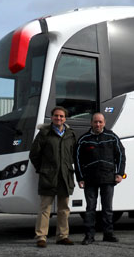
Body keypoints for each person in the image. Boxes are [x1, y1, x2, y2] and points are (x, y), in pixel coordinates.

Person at [29, 106, 77, 248]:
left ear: (65, 118)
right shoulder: (44, 133)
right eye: (56, 116)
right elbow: (34, 154)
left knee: (64, 208)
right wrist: (42, 169)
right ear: (51, 117)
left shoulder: (70, 134)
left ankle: (62, 236)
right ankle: (41, 237)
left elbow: (74, 155)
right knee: (45, 208)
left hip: (65, 176)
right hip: (48, 176)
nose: (58, 118)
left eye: (61, 116)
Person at [76, 112, 126, 245]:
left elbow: (121, 155)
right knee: (90, 209)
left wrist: (119, 173)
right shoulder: (83, 140)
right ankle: (89, 236)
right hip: (90, 180)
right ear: (91, 123)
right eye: (95, 122)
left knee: (107, 209)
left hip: (108, 178)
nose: (98, 124)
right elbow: (78, 161)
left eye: (100, 122)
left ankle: (108, 234)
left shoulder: (112, 137)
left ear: (104, 123)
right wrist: (80, 178)